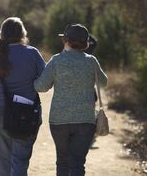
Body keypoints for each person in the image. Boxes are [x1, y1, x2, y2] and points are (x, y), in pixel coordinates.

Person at [34, 24, 107, 176]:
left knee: (62, 161)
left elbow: (40, 87)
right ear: (86, 43)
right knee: (77, 163)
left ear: (66, 41)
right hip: (85, 120)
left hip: (59, 120)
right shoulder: (91, 61)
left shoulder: (56, 60)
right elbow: (104, 82)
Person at [0, 17, 45, 176]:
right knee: (20, 160)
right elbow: (46, 81)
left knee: (3, 158)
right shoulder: (33, 53)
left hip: (0, 111)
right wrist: (32, 85)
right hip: (28, 112)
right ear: (23, 34)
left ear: (2, 34)